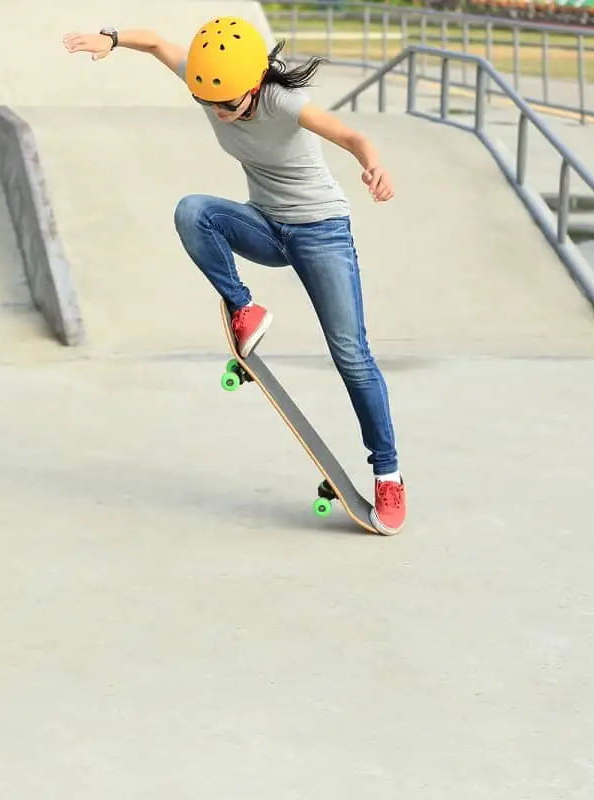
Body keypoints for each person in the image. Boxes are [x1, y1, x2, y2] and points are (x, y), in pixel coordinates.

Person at [62, 17, 407, 534]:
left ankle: (388, 474)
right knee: (192, 210)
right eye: (211, 105)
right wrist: (111, 40)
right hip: (266, 227)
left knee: (351, 354)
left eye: (229, 106)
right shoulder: (211, 82)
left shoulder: (283, 102)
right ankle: (245, 307)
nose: (220, 116)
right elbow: (157, 42)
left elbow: (352, 135)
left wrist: (375, 166)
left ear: (252, 86)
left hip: (321, 232)